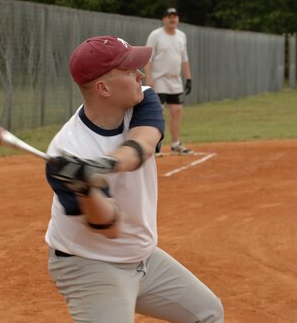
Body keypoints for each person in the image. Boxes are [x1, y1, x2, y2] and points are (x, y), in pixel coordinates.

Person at [45, 35, 223, 323]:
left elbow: (142, 144)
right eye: (129, 71)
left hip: (142, 257)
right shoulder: (67, 151)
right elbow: (109, 227)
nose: (140, 74)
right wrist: (86, 188)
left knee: (208, 313)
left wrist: (104, 165)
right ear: (103, 87)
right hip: (90, 264)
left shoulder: (142, 99)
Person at [146, 7, 194, 155]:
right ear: (164, 19)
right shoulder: (156, 35)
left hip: (175, 81)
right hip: (159, 79)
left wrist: (188, 78)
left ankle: (175, 144)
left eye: (175, 16)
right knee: (158, 112)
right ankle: (154, 146)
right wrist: (149, 78)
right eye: (169, 16)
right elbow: (148, 57)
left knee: (177, 111)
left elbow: (184, 58)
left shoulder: (181, 36)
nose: (172, 19)